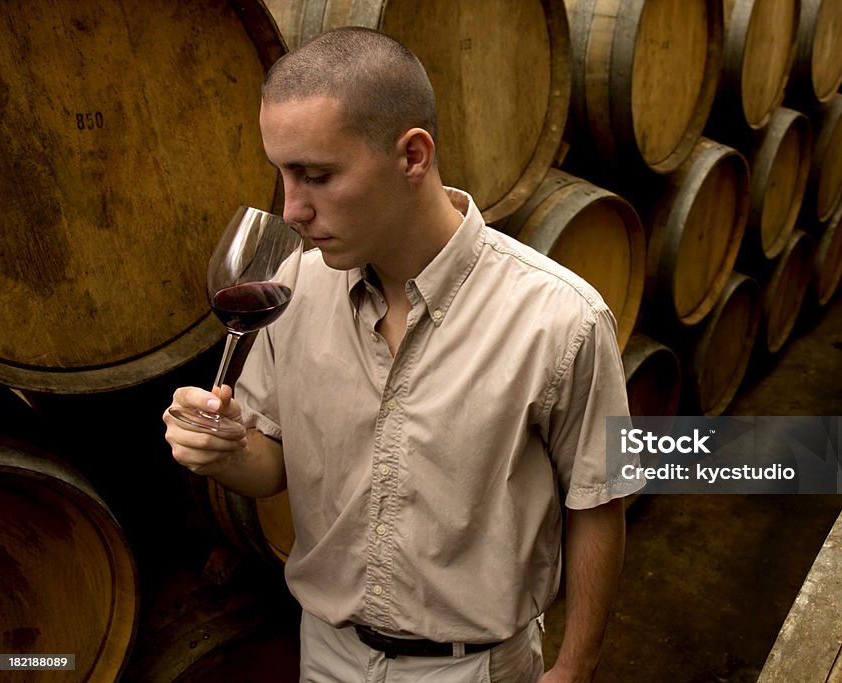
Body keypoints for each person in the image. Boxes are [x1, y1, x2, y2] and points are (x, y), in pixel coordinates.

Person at [164, 26, 640, 683]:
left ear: (412, 156)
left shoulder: (562, 319)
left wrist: (576, 664)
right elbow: (270, 465)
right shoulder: (293, 288)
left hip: (475, 667)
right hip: (327, 653)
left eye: (316, 175)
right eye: (281, 172)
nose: (292, 208)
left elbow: (596, 501)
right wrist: (225, 449)